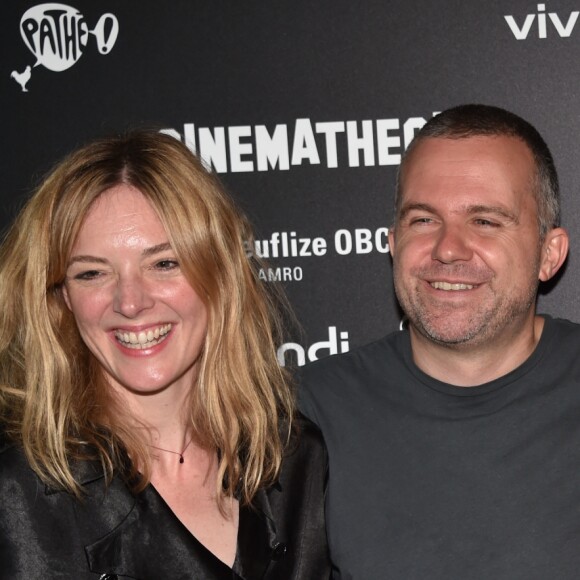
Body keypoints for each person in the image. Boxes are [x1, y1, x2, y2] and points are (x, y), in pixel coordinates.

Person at [0, 131, 330, 579]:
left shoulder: (292, 457)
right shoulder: (19, 492)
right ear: (61, 299)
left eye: (164, 264)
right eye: (92, 273)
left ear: (220, 276)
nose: (130, 302)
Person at [299, 104, 580, 579]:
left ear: (548, 254)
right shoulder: (307, 412)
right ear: (392, 241)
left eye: (485, 221)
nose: (448, 248)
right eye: (424, 220)